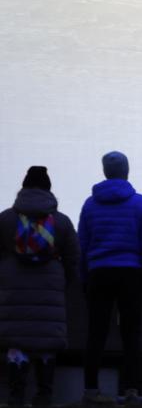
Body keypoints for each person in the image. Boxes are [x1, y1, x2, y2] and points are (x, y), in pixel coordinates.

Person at [78, 152, 142, 405]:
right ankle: (131, 390)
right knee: (131, 333)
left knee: (96, 333)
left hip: (99, 273)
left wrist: (84, 278)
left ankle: (91, 390)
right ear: (126, 171)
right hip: (131, 274)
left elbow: (82, 245)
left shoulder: (90, 205)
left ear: (105, 172)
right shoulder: (141, 204)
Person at [0, 166, 79, 407]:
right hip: (49, 289)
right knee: (46, 343)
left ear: (22, 188)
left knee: (16, 343)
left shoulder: (6, 219)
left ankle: (15, 396)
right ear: (49, 190)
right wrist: (62, 282)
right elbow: (74, 260)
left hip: (13, 288)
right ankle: (44, 395)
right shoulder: (62, 222)